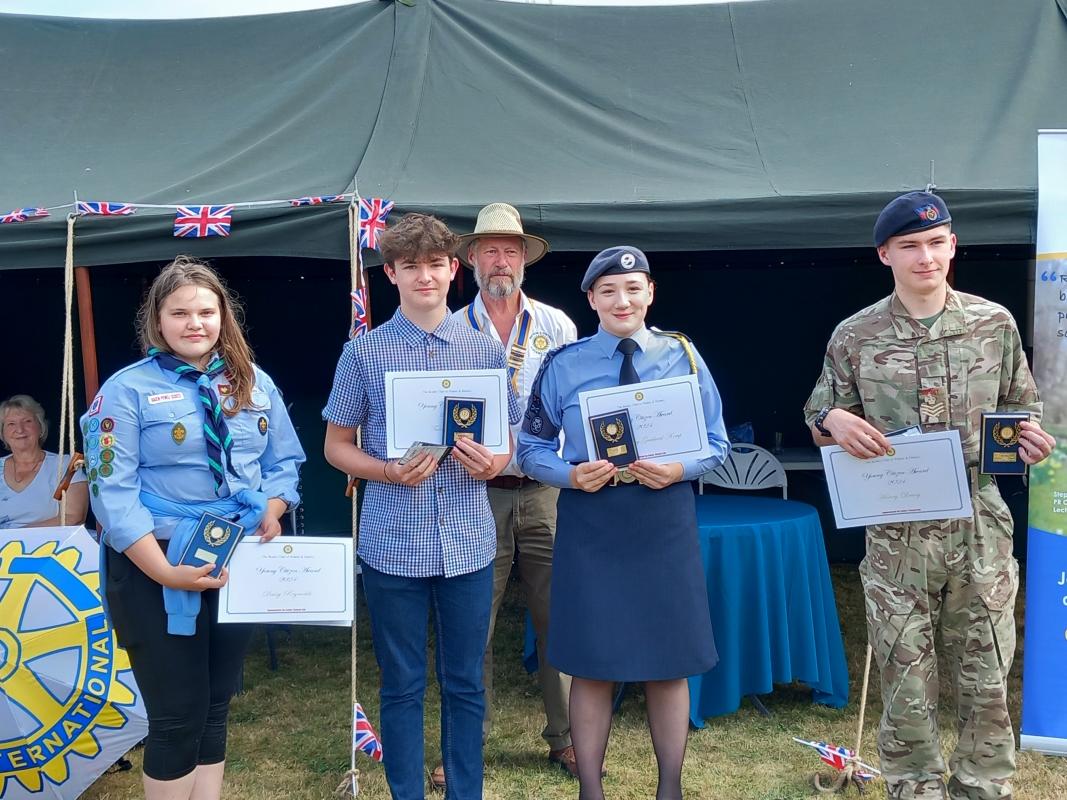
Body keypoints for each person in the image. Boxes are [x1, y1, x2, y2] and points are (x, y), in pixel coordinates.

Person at [803, 191, 1056, 800]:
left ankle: (983, 783)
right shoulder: (857, 334)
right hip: (896, 525)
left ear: (953, 246)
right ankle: (913, 785)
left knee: (986, 667)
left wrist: (1030, 439)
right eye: (911, 246)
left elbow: (1022, 407)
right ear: (885, 253)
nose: (926, 257)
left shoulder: (994, 324)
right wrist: (833, 421)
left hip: (978, 520)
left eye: (937, 243)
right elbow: (818, 411)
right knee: (904, 669)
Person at [84, 255, 305, 800]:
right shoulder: (125, 391)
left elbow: (284, 462)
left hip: (233, 555)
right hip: (154, 559)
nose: (195, 323)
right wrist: (165, 572)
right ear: (157, 320)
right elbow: (112, 493)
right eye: (180, 312)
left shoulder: (253, 384)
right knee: (176, 714)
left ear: (224, 316)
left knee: (214, 704)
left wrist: (274, 507)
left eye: (206, 311)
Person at [516, 246, 728, 800]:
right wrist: (569, 476)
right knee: (591, 662)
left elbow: (718, 443)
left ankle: (671, 788)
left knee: (669, 660)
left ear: (650, 293)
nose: (622, 300)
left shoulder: (683, 356)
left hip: (663, 517)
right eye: (608, 291)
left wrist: (679, 467)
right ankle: (590, 790)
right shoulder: (563, 364)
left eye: (633, 289)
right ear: (590, 299)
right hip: (593, 519)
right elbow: (532, 447)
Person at [323, 213, 520, 800]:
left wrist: (496, 462)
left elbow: (504, 440)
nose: (425, 276)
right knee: (402, 684)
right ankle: (405, 792)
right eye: (411, 266)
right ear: (390, 273)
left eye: (436, 264)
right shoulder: (364, 353)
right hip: (392, 543)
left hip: (468, 541)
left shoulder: (484, 352)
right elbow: (336, 446)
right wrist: (385, 470)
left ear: (454, 269)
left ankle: (466, 793)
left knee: (465, 684)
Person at [439, 203, 578, 786]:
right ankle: (463, 747)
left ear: (525, 260)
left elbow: (573, 405)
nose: (502, 260)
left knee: (559, 618)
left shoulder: (558, 326)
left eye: (512, 250)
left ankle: (568, 739)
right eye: (491, 250)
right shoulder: (444, 328)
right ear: (470, 259)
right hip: (471, 495)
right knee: (472, 622)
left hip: (544, 490)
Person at [0, 394, 88, 527]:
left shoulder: (64, 464)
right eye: (11, 424)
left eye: (27, 421)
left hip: (51, 545)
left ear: (40, 427)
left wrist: (17, 537)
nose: (19, 429)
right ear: (3, 433)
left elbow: (73, 517)